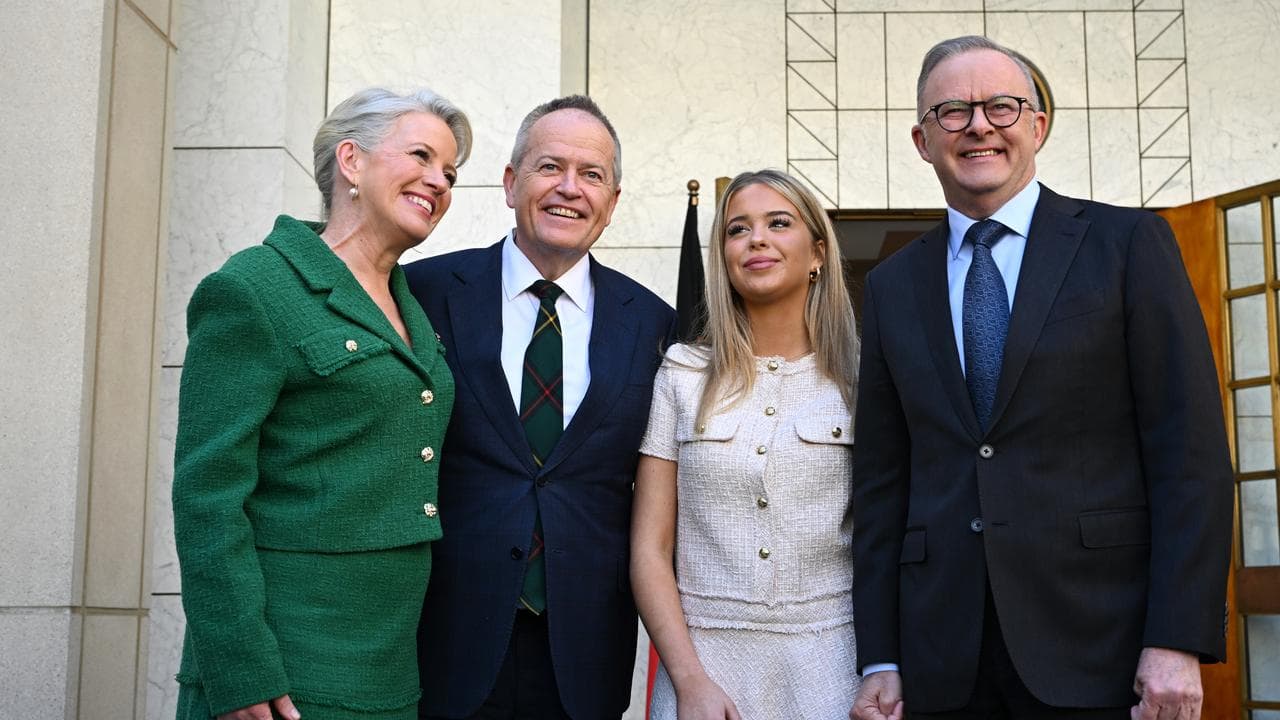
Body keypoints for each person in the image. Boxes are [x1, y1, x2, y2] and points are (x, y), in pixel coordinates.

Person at [849, 35, 1233, 720]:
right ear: (921, 138)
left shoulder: (1127, 245)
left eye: (1001, 106)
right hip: (942, 660)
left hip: (1101, 647)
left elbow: (1190, 459)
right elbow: (883, 484)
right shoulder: (890, 286)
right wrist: (881, 655)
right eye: (953, 111)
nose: (978, 125)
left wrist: (1177, 639)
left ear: (1037, 125)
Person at [171, 87, 471, 720]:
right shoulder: (254, 288)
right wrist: (238, 667)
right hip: (286, 657)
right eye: (421, 155)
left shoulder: (410, 302)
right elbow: (207, 498)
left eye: (450, 171)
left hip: (389, 661)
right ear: (352, 161)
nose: (439, 181)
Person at [404, 94, 676, 720]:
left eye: (592, 175)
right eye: (550, 167)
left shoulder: (656, 326)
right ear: (510, 182)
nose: (570, 189)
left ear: (611, 202)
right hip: (441, 638)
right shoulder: (424, 293)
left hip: (583, 653)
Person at [632, 169, 861, 720]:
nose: (756, 239)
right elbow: (649, 551)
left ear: (818, 254)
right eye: (737, 229)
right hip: (705, 673)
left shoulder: (864, 381)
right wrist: (690, 682)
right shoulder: (682, 374)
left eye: (778, 223)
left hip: (835, 667)